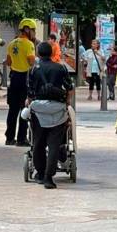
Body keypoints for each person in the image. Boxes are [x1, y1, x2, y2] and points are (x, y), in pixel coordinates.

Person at [27, 42, 75, 189]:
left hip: (39, 110)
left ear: (38, 54)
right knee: (54, 144)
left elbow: (30, 93)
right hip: (57, 110)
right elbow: (69, 88)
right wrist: (66, 102)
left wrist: (29, 104)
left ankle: (40, 173)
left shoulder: (33, 69)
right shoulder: (60, 67)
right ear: (52, 53)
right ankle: (49, 177)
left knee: (38, 143)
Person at [5, 19, 37, 146]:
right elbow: (31, 61)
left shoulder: (12, 43)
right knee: (24, 109)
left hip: (13, 77)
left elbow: (8, 62)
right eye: (33, 30)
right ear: (27, 29)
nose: (34, 33)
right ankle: (21, 139)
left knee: (12, 109)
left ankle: (9, 137)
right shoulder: (29, 44)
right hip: (25, 78)